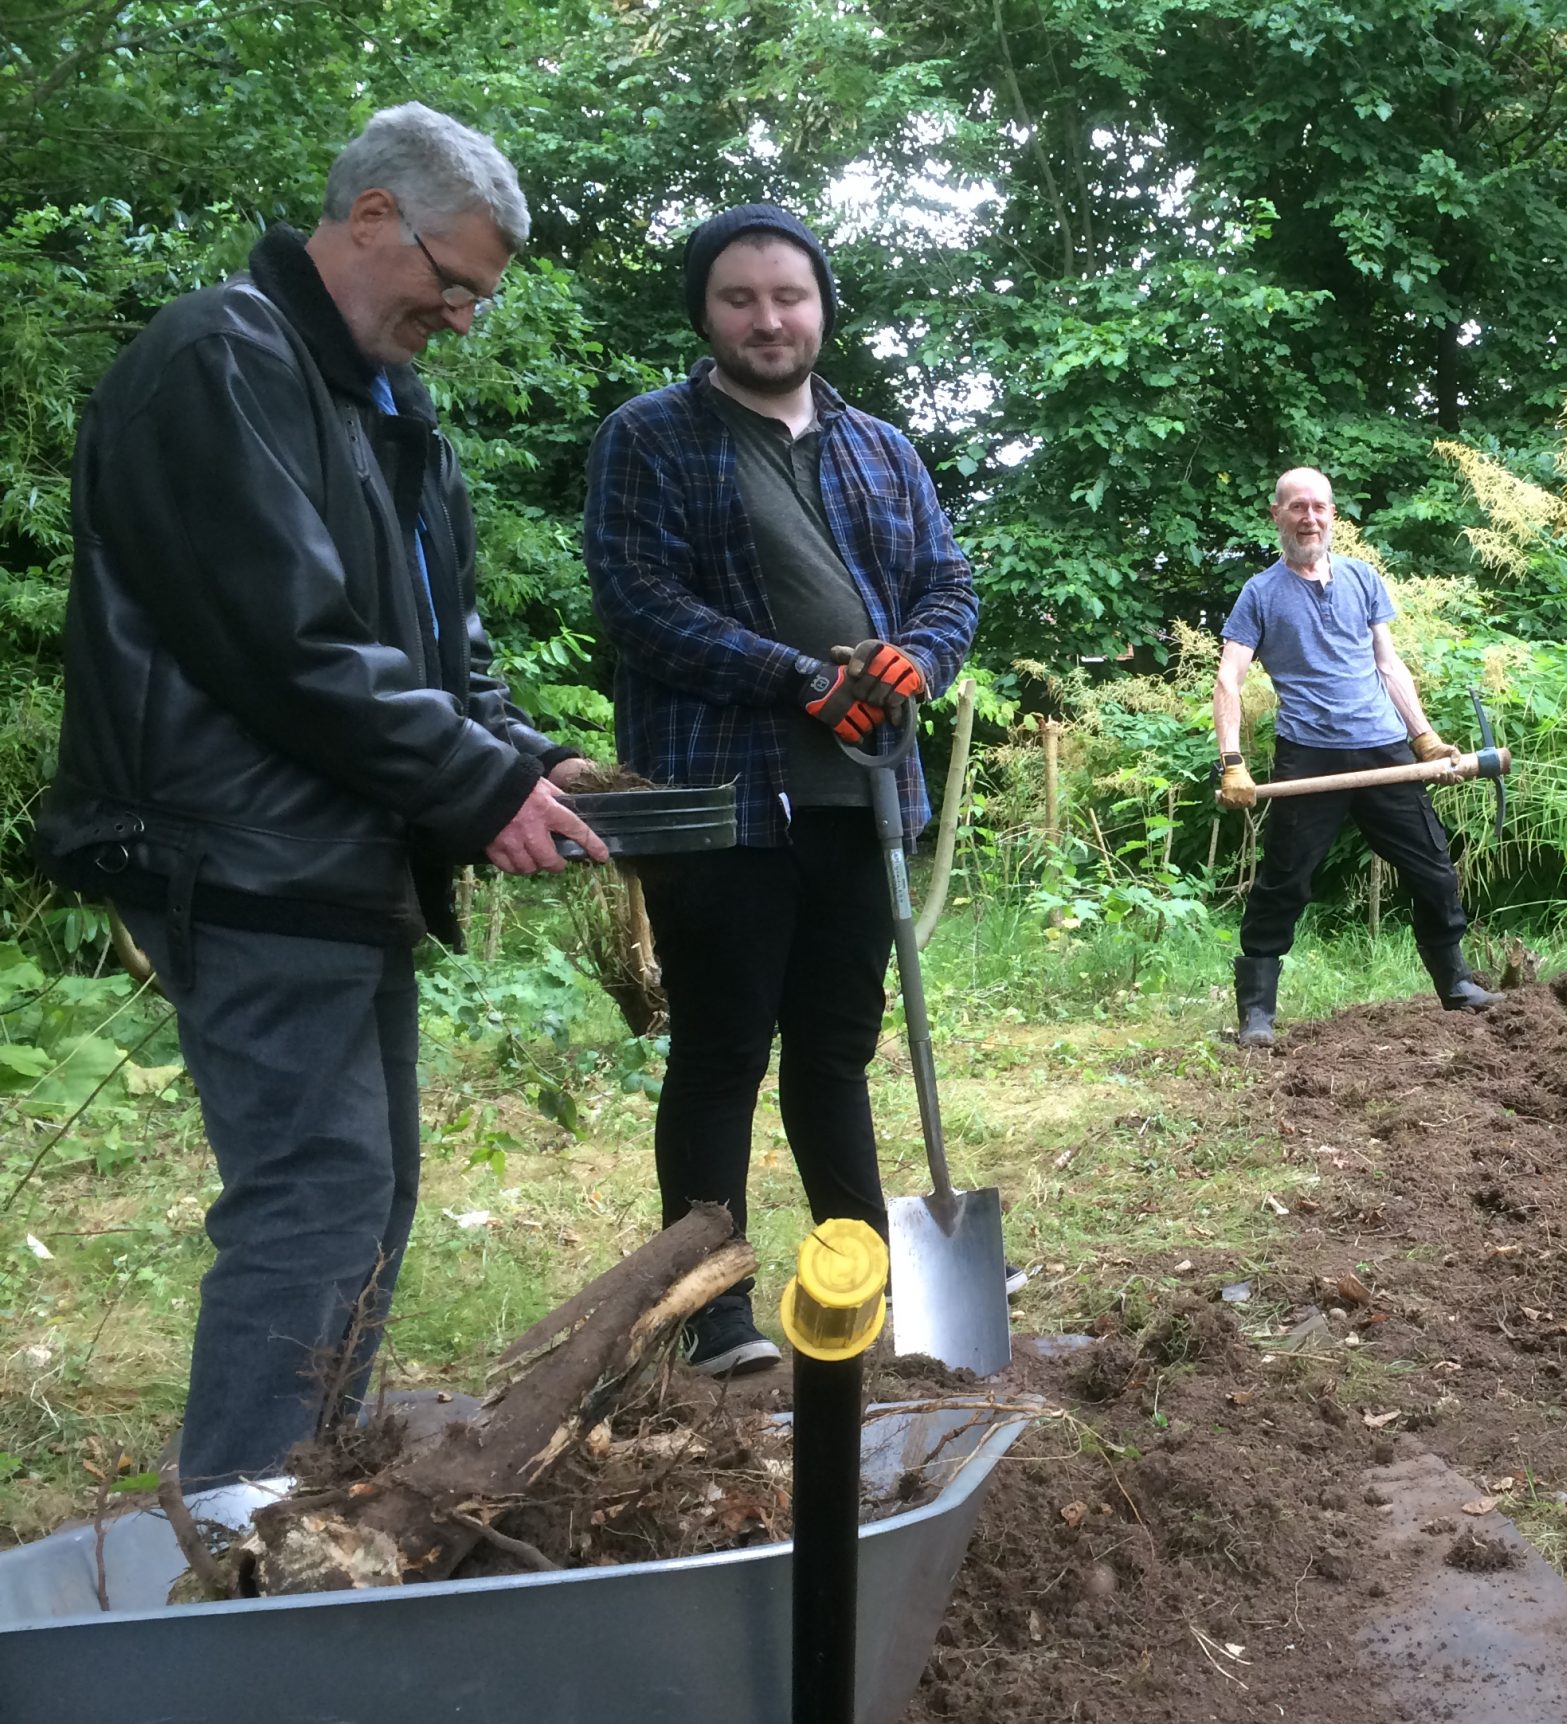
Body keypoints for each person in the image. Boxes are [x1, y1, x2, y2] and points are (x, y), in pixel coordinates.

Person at [39, 104, 605, 1484]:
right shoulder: (219, 361)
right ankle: (242, 1533)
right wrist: (472, 785)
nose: (461, 317)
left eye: (478, 297)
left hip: (338, 859)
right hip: (239, 853)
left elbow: (444, 646)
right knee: (315, 1193)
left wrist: (524, 758)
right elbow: (287, 642)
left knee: (369, 1189)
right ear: (370, 217)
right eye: (453, 282)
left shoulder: (387, 409)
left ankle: (311, 1494)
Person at [584, 202, 978, 1375]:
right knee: (720, 1052)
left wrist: (917, 659)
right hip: (722, 805)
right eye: (739, 297)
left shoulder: (881, 447)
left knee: (834, 1054)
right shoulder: (649, 436)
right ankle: (709, 1313)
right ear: (705, 314)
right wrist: (797, 678)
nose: (768, 318)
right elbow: (637, 599)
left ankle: (864, 1279)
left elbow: (948, 584)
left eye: (788, 296)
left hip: (862, 803)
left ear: (821, 308)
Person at [1212, 468, 1502, 1048]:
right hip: (1308, 754)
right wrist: (1232, 761)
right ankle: (1257, 1015)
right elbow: (1228, 679)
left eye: (1318, 507)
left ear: (1333, 515)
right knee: (1284, 880)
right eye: (1297, 507)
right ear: (1277, 515)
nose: (1309, 518)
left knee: (1433, 868)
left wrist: (1423, 738)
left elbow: (1388, 665)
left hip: (1383, 749)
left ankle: (1456, 985)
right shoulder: (1260, 593)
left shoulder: (1363, 578)